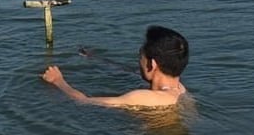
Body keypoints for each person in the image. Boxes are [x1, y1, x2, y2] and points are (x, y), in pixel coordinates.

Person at [41, 25, 189, 108]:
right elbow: (133, 72)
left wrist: (58, 81)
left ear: (152, 64)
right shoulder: (180, 90)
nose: (138, 63)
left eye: (140, 57)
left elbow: (83, 101)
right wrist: (96, 59)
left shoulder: (142, 97)